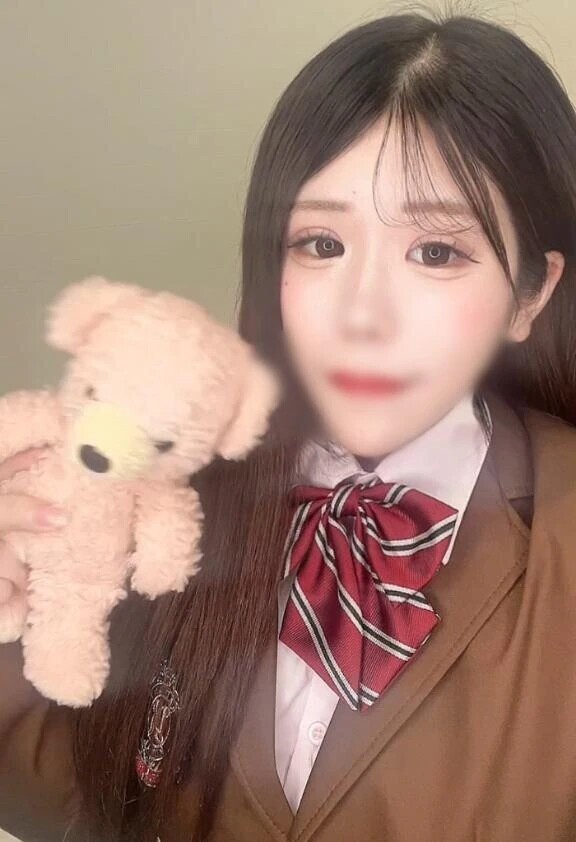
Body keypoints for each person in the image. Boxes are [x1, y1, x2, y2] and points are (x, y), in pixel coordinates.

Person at [2, 8, 576, 842]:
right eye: (321, 244)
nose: (361, 315)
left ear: (529, 294)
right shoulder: (167, 489)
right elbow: (71, 792)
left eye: (437, 252)